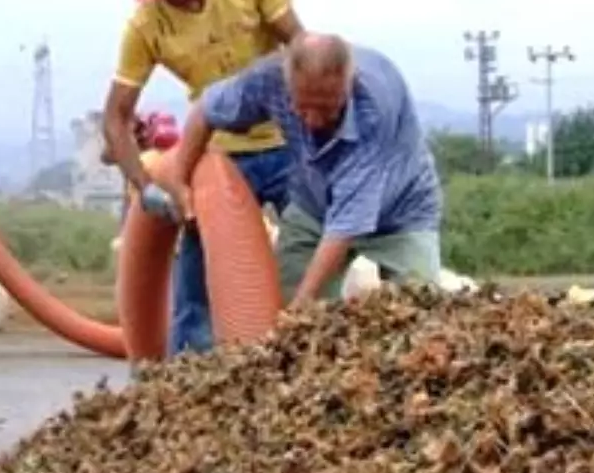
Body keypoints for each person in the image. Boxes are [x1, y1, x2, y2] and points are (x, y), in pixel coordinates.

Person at [101, 0, 304, 354]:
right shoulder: (146, 26)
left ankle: (308, 359)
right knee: (197, 279)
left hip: (289, 142)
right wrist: (145, 186)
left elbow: (301, 46)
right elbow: (116, 116)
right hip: (220, 155)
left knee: (311, 255)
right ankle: (185, 384)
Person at [163, 33, 443, 305]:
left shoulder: (373, 109)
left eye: (327, 108)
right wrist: (178, 180)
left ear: (347, 85)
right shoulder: (269, 80)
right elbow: (205, 112)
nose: (314, 121)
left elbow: (345, 225)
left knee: (421, 312)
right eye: (303, 107)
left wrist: (302, 307)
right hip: (314, 204)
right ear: (288, 84)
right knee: (281, 303)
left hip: (401, 213)